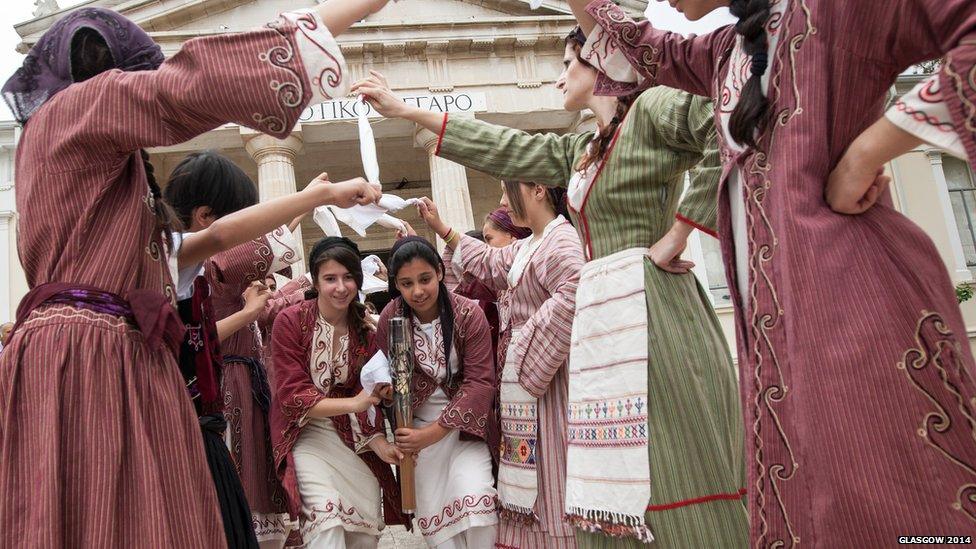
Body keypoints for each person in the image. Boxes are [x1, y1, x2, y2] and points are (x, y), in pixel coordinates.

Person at [565, 0, 976, 544]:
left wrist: (868, 152)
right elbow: (638, 44)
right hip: (777, 328)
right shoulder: (723, 53)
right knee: (817, 501)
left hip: (855, 295)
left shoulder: (835, 12)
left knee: (894, 491)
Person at [0, 0, 388, 544]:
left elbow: (211, 238)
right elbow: (190, 85)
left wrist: (313, 196)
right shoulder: (80, 108)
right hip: (93, 358)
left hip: (80, 357)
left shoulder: (78, 170)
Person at [354, 36, 745, 546]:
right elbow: (502, 147)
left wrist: (682, 228)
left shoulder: (650, 109)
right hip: (605, 334)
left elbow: (730, 118)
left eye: (567, 64)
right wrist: (406, 111)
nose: (559, 77)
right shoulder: (580, 152)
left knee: (669, 465)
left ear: (602, 59)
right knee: (617, 485)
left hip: (647, 314)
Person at [417, 179, 585, 549]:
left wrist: (525, 345)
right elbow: (490, 261)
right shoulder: (531, 244)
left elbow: (576, 288)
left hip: (548, 380)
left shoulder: (561, 240)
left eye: (509, 191)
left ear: (538, 190)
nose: (503, 201)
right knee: (537, 475)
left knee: (554, 472)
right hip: (527, 385)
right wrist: (442, 227)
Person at [270, 236, 407, 549]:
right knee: (326, 523)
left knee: (363, 537)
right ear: (316, 281)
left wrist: (379, 442)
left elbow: (371, 393)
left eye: (348, 278)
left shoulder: (366, 331)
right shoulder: (290, 322)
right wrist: (357, 401)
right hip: (304, 436)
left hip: (354, 441)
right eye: (330, 278)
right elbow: (291, 395)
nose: (341, 287)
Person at [374, 236, 498, 549]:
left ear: (440, 272)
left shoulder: (469, 314)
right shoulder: (390, 318)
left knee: (478, 502)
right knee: (442, 531)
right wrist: (386, 391)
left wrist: (431, 433)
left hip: (465, 432)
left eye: (425, 279)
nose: (417, 291)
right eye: (406, 283)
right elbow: (386, 375)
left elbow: (480, 381)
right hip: (418, 440)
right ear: (396, 285)